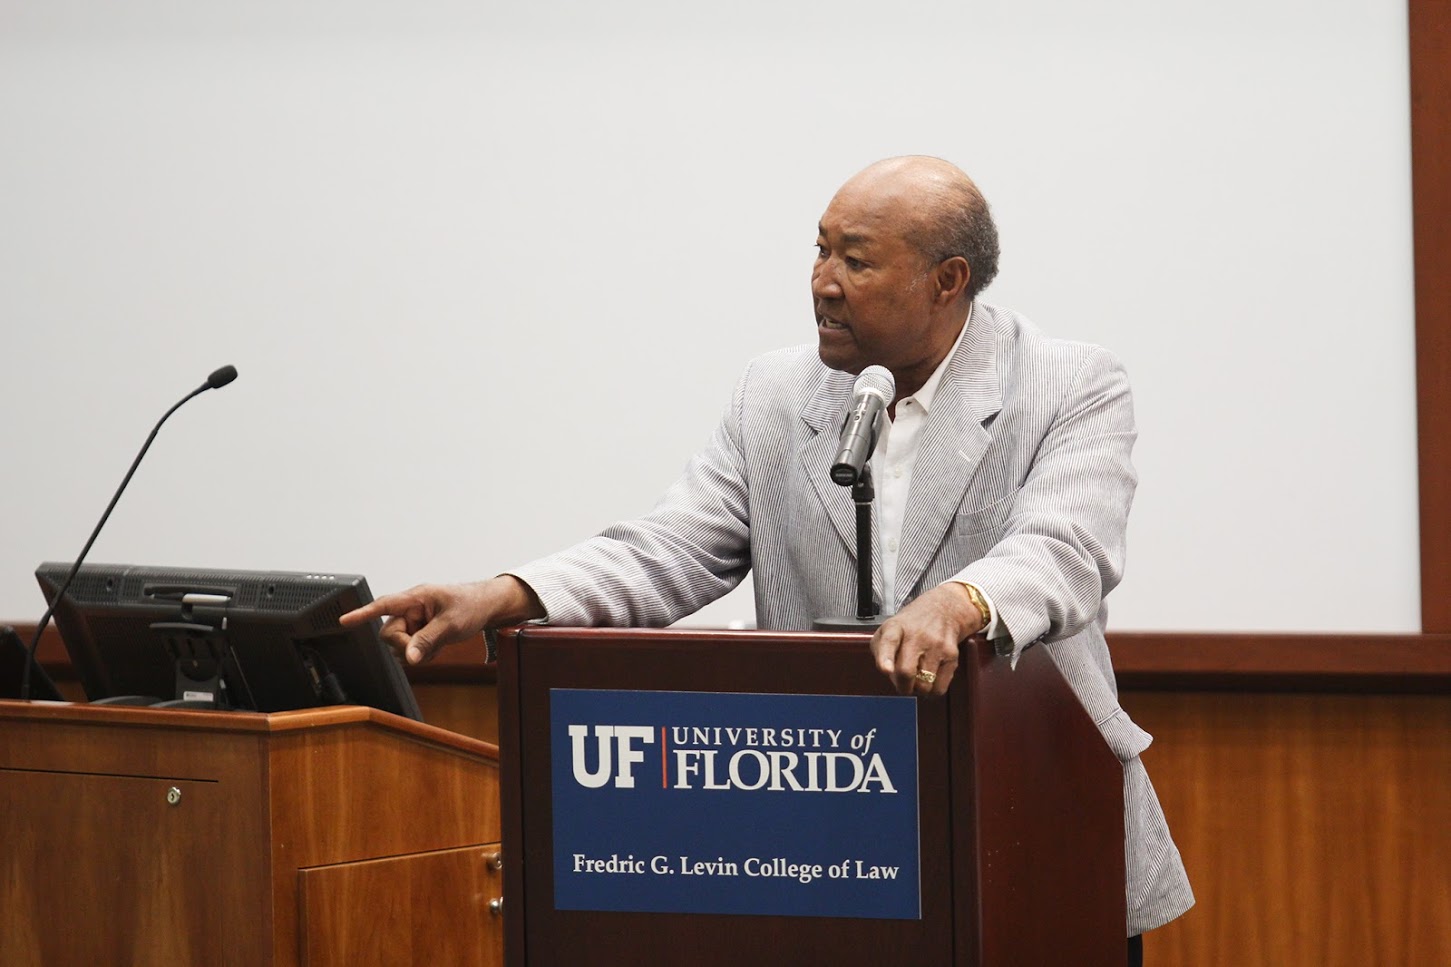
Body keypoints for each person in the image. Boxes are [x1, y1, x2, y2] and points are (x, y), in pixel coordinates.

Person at [341, 156, 1193, 956]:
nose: (822, 281)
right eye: (818, 250)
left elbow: (1064, 545)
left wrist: (961, 602)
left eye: (855, 261)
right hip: (826, 849)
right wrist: (507, 594)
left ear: (947, 280)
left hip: (1032, 829)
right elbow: (674, 545)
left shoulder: (1066, 383)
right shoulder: (775, 393)